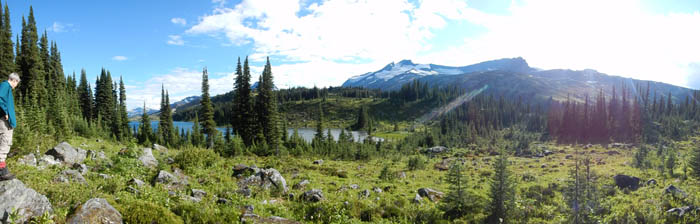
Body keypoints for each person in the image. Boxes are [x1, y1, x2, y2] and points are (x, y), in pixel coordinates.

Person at [0, 73, 19, 181]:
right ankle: (2, 171)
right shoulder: (5, 86)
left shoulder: (5, 87)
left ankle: (2, 169)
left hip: (4, 120)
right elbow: (0, 98)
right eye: (17, 83)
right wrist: (5, 112)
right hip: (5, 121)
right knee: (5, 142)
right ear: (14, 80)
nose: (16, 85)